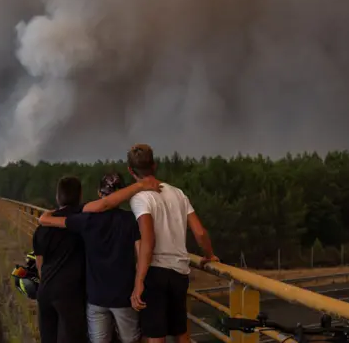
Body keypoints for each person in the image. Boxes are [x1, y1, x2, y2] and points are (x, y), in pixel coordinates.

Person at [127, 144, 219, 343]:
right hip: (179, 272)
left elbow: (148, 240)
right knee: (181, 332)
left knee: (156, 335)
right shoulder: (178, 193)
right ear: (155, 165)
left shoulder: (139, 198)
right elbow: (200, 232)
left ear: (130, 171)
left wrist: (139, 280)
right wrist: (209, 255)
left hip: (155, 272)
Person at [39, 173, 144, 343]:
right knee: (130, 340)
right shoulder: (130, 220)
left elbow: (54, 221)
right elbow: (140, 253)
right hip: (124, 295)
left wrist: (45, 217)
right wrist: (139, 284)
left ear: (98, 192)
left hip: (96, 297)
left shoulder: (87, 220)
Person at [32, 176, 87, 343]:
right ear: (80, 195)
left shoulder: (43, 227)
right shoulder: (83, 221)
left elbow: (39, 264)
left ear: (58, 197)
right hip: (71, 293)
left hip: (46, 290)